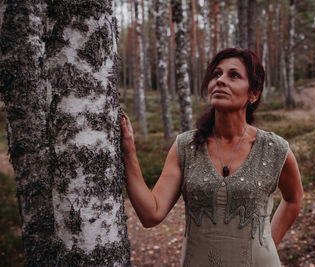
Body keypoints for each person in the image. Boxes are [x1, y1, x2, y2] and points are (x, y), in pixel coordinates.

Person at [121, 48, 303, 266]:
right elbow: (151, 214)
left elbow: (294, 199)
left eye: (233, 75)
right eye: (216, 74)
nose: (220, 80)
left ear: (253, 93)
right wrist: (129, 152)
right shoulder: (186, 147)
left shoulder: (274, 149)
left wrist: (268, 242)